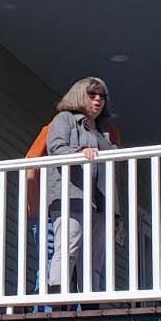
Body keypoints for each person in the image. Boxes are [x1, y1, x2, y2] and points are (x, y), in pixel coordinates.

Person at [43, 76, 117, 290]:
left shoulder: (103, 132)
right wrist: (79, 152)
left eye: (102, 96)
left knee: (94, 259)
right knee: (68, 247)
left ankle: (90, 304)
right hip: (72, 195)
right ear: (79, 95)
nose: (98, 99)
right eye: (92, 94)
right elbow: (56, 148)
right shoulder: (65, 119)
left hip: (100, 202)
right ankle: (57, 300)